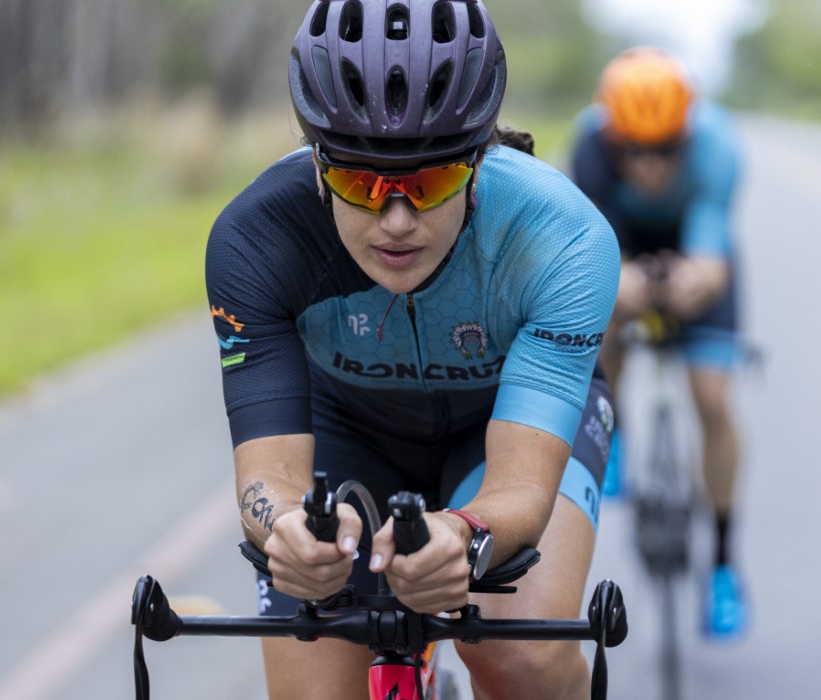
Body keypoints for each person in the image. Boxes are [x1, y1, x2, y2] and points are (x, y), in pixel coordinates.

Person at [205, 1, 619, 698]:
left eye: (430, 183)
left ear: (479, 163)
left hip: (503, 429)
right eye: (358, 182)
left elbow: (518, 489)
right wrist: (288, 531)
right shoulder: (255, 241)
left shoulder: (565, 239)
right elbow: (266, 478)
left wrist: (466, 532)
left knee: (525, 661)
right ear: (317, 164)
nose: (396, 221)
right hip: (347, 424)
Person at [569, 47, 747, 639]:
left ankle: (722, 565)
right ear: (613, 138)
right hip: (625, 236)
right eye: (635, 151)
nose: (649, 164)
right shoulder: (590, 147)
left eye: (666, 149)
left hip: (695, 241)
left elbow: (711, 264)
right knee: (606, 319)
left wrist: (693, 283)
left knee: (713, 400)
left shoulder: (719, 149)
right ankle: (612, 435)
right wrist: (625, 291)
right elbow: (598, 251)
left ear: (687, 136)